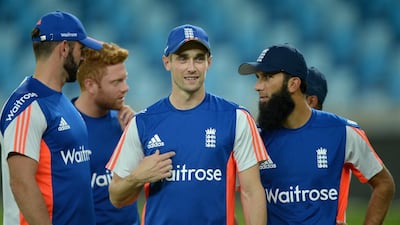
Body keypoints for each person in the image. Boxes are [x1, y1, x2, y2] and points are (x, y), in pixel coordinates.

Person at [106, 24, 269, 225]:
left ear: (209, 62)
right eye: (183, 58)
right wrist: (137, 177)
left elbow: (251, 192)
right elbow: (116, 196)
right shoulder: (143, 122)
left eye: (199, 58)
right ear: (167, 62)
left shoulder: (236, 117)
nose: (191, 67)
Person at [238, 44, 395, 225]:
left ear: (293, 84)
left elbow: (384, 184)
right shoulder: (254, 138)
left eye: (267, 77)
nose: (257, 86)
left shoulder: (342, 131)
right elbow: (221, 192)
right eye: (258, 78)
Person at [0, 11, 102, 225]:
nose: (83, 57)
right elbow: (21, 183)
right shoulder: (27, 106)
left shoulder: (62, 102)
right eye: (81, 49)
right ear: (64, 48)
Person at [73, 42, 140, 225]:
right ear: (91, 85)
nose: (125, 87)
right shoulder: (64, 129)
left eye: (125, 79)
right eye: (116, 82)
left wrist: (137, 138)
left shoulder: (126, 124)